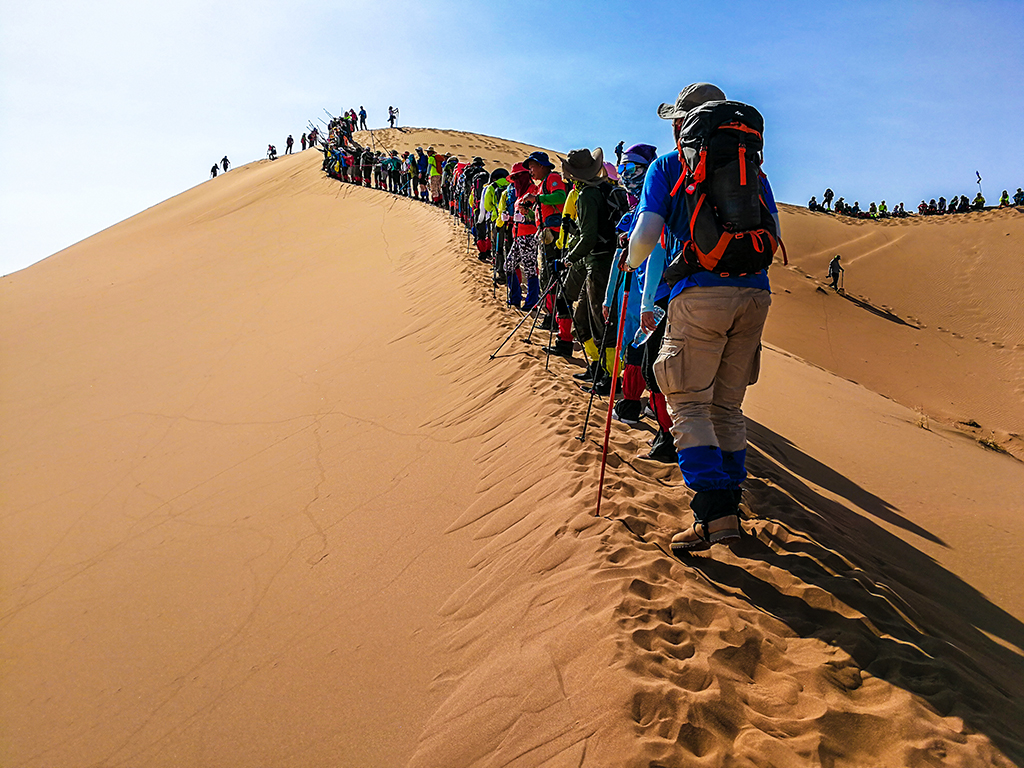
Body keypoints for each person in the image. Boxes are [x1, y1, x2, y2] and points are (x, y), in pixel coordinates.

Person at [626, 82, 779, 553]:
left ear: (681, 124)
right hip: (754, 295)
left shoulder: (668, 166)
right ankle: (730, 502)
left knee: (689, 405)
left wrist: (630, 262)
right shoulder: (751, 170)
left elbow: (647, 233)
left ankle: (714, 515)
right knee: (727, 408)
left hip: (698, 294)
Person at [560, 148, 623, 394]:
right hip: (600, 261)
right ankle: (598, 367)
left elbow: (588, 239)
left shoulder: (586, 196)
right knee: (585, 318)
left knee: (601, 322)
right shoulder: (601, 190)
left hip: (598, 264)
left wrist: (568, 258)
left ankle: (611, 377)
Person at [519, 151, 570, 355]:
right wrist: (528, 211)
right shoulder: (542, 184)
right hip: (546, 235)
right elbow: (543, 209)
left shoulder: (553, 178)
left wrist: (537, 197)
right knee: (546, 278)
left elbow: (561, 196)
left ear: (541, 165)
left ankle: (556, 323)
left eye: (532, 166)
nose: (530, 170)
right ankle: (550, 317)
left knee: (553, 278)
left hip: (556, 237)